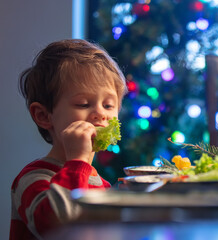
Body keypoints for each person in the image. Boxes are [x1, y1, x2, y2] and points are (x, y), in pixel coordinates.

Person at [10, 39, 127, 239]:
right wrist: (78, 161)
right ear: (44, 116)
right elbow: (58, 226)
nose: (101, 114)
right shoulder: (32, 179)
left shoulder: (101, 184)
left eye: (108, 105)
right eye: (83, 104)